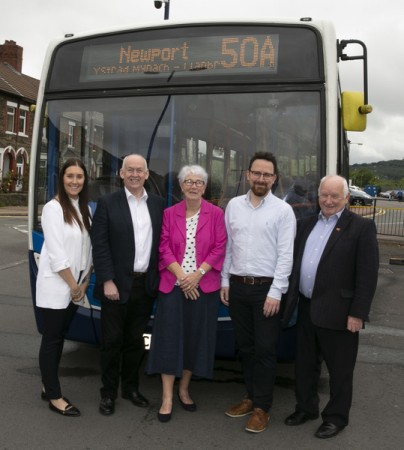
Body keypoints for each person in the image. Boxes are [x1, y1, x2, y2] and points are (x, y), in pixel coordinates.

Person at [283, 175, 379, 439]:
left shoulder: (361, 228)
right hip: (305, 307)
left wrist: (358, 314)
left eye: (335, 196)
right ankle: (305, 408)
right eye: (324, 195)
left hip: (341, 313)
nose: (328, 200)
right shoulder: (305, 224)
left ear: (346, 198)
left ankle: (336, 417)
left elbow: (367, 276)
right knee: (304, 365)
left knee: (340, 370)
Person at [220, 152, 296, 433]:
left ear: (274, 179)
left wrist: (276, 292)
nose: (261, 178)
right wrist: (225, 281)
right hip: (238, 288)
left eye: (267, 174)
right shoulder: (233, 207)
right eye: (257, 173)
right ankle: (250, 397)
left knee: (265, 350)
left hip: (267, 290)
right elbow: (229, 247)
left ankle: (262, 408)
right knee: (246, 348)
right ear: (248, 175)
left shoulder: (282, 211)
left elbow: (285, 256)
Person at [146, 165, 227, 423]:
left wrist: (197, 276)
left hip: (203, 287)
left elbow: (219, 247)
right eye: (188, 181)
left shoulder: (216, 214)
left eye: (199, 182)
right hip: (174, 285)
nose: (193, 186)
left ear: (205, 187)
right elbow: (163, 248)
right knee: (168, 340)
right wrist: (183, 278)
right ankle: (167, 397)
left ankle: (184, 389)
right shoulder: (169, 214)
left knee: (195, 338)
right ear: (181, 186)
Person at [91, 154, 165, 416]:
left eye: (140, 170)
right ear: (121, 174)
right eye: (129, 170)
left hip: (144, 286)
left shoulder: (158, 205)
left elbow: (163, 245)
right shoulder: (107, 203)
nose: (134, 174)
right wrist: (107, 280)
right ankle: (108, 393)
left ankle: (130, 388)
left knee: (136, 341)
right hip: (115, 286)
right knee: (112, 342)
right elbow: (99, 245)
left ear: (147, 175)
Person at [36, 158, 93, 417]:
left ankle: (48, 385)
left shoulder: (84, 208)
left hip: (76, 286)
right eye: (70, 176)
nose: (74, 181)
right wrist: (73, 285)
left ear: (84, 181)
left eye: (79, 177)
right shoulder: (53, 208)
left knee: (59, 337)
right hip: (58, 286)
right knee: (52, 339)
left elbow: (88, 250)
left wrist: (85, 281)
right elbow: (57, 253)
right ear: (62, 178)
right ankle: (55, 396)